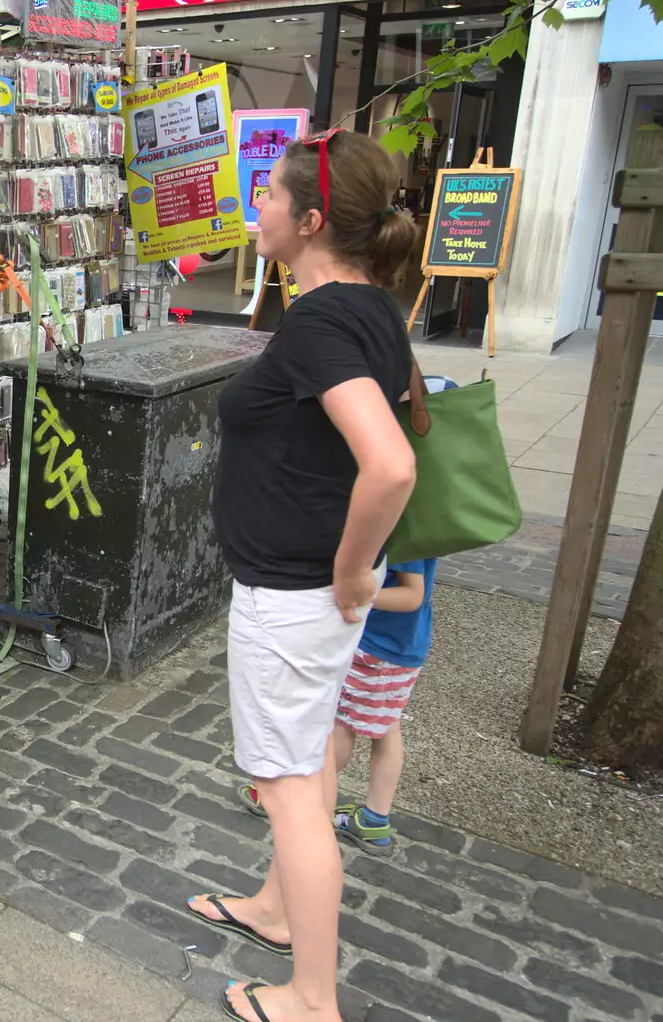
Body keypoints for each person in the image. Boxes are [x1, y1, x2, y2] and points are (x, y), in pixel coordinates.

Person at [187, 128, 419, 1022]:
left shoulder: (325, 319)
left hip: (294, 597)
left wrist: (354, 568)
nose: (258, 211)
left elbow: (389, 464)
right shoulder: (366, 307)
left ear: (312, 218)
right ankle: (276, 910)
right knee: (308, 764)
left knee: (288, 790)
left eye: (269, 197)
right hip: (308, 599)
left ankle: (312, 998)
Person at [238, 378, 453, 855]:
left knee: (338, 727)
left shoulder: (399, 513)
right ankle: (375, 818)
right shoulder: (418, 502)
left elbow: (412, 595)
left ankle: (302, 800)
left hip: (378, 646)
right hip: (403, 648)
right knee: (385, 727)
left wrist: (355, 590)